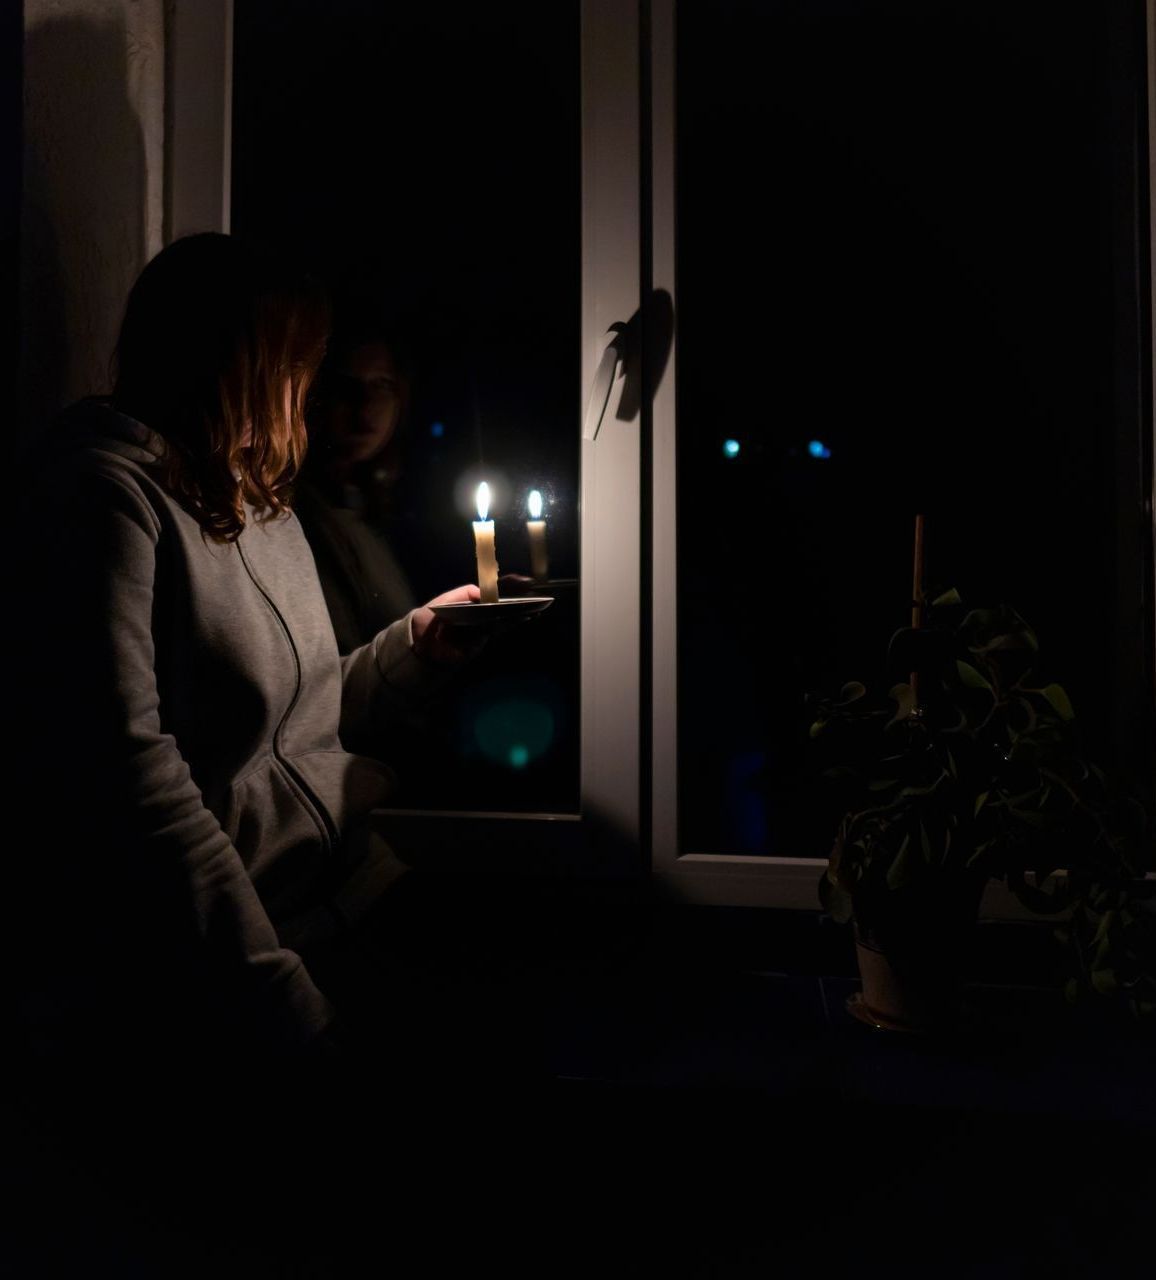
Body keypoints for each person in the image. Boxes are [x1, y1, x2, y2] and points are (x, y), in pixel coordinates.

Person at [11, 233, 487, 1110]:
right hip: (238, 957)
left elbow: (292, 720)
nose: (312, 392)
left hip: (355, 894)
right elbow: (135, 790)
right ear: (235, 366)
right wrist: (282, 1000)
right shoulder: (104, 500)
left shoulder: (252, 501)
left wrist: (408, 652)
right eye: (299, 366)